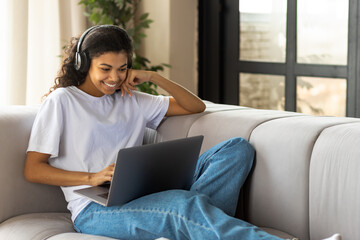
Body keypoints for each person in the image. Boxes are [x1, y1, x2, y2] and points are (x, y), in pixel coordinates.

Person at [24, 25, 340, 240]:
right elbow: (33, 169)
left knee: (237, 149)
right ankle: (191, 219)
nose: (114, 77)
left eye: (122, 68)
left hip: (142, 194)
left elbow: (195, 106)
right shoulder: (63, 101)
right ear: (83, 64)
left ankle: (185, 223)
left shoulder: (133, 100)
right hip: (94, 210)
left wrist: (154, 77)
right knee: (181, 205)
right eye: (105, 68)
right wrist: (91, 177)